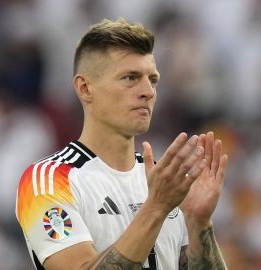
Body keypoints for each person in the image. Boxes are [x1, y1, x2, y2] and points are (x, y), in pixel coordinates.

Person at [16, 18, 228, 270]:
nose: (148, 91)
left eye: (153, 80)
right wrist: (156, 207)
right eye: (130, 78)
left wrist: (198, 222)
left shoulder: (165, 181)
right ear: (85, 88)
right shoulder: (49, 180)